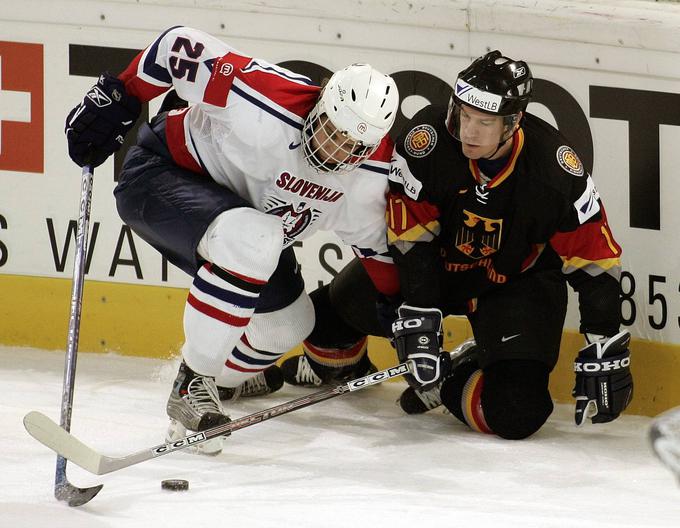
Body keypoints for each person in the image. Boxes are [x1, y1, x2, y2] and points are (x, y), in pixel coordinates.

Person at [64, 25, 400, 454]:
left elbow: (377, 250)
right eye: (331, 130)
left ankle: (215, 387)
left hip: (242, 230)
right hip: (160, 177)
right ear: (320, 102)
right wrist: (122, 95)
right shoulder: (264, 97)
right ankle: (193, 383)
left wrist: (403, 313)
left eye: (352, 146)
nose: (335, 149)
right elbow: (177, 46)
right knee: (258, 237)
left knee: (289, 325)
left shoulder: (368, 179)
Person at [284, 50, 633, 440]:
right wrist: (418, 313)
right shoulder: (428, 142)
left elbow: (595, 260)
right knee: (322, 324)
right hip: (437, 270)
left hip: (515, 284)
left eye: (484, 122)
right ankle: (349, 365)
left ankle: (453, 374)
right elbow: (412, 239)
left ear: (513, 123)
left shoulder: (554, 169)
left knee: (517, 413)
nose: (469, 131)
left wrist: (604, 341)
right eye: (465, 115)